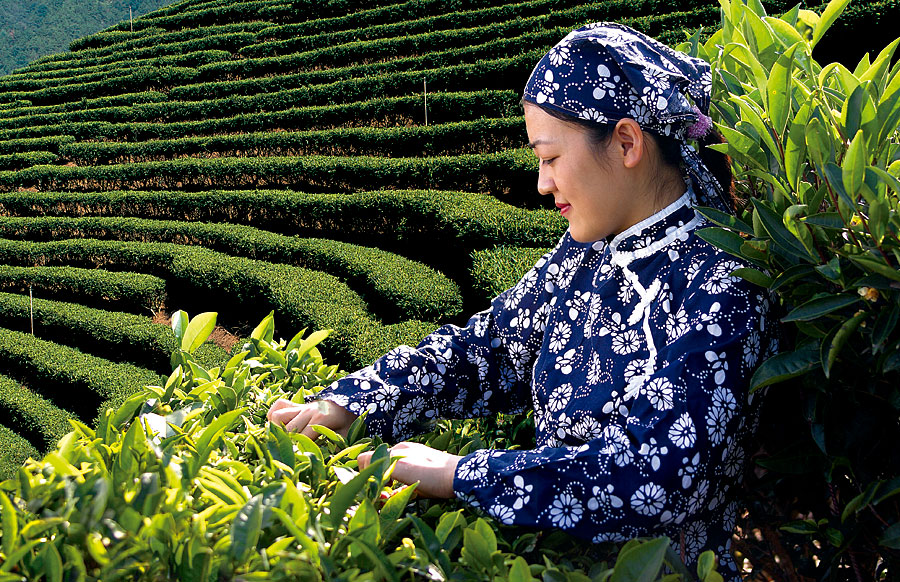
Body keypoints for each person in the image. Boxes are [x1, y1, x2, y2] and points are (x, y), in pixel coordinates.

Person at [268, 22, 777, 577]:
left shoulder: (724, 282)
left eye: (551, 157)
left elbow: (658, 478)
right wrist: (354, 402)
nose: (541, 182)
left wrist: (459, 474)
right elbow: (487, 348)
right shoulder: (588, 249)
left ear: (628, 142)